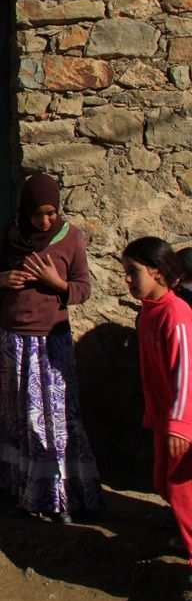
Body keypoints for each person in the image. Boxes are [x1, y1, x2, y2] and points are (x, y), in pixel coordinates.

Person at [0, 172, 103, 522]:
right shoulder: (10, 236)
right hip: (13, 336)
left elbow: (82, 289)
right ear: (25, 210)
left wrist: (56, 283)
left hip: (50, 338)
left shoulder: (70, 238)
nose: (44, 220)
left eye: (50, 213)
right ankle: (25, 490)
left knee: (54, 419)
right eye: (37, 214)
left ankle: (60, 495)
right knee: (19, 416)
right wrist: (1, 280)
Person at [122, 238, 192, 580]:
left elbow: (186, 373)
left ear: (159, 272)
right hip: (163, 418)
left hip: (181, 422)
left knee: (182, 490)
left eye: (133, 272)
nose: (128, 280)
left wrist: (180, 425)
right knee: (164, 484)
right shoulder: (149, 313)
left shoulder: (176, 314)